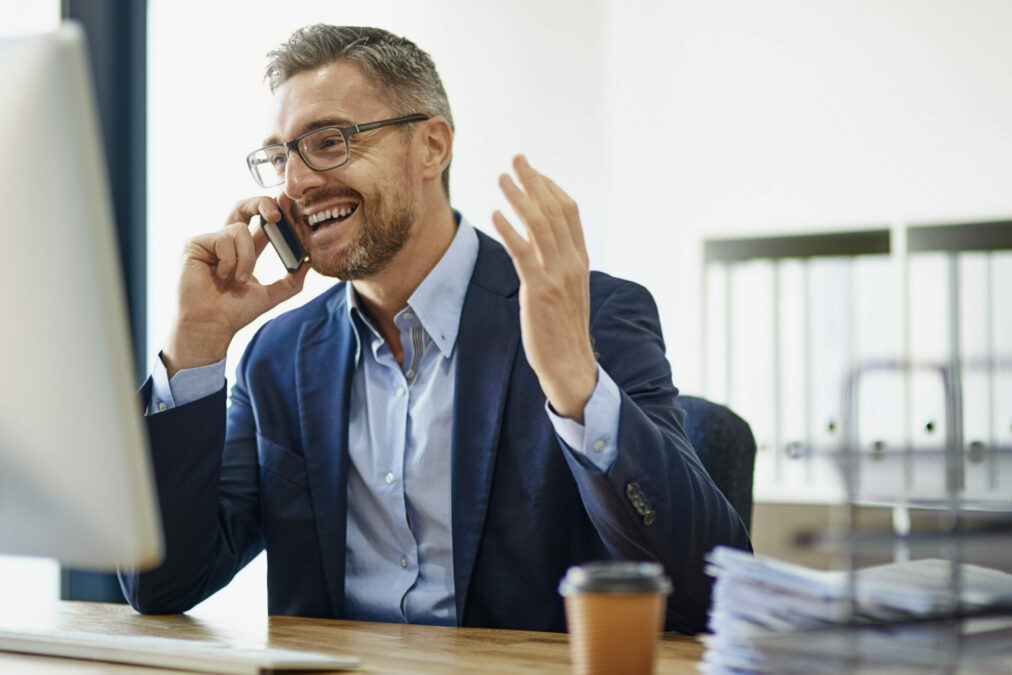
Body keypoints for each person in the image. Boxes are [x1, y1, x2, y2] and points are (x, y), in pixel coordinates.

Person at [119, 24, 751, 634]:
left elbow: (711, 594)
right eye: (280, 157)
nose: (297, 183)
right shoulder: (277, 358)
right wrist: (195, 346)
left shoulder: (589, 316)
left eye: (330, 141)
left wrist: (576, 387)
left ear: (432, 147)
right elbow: (162, 584)